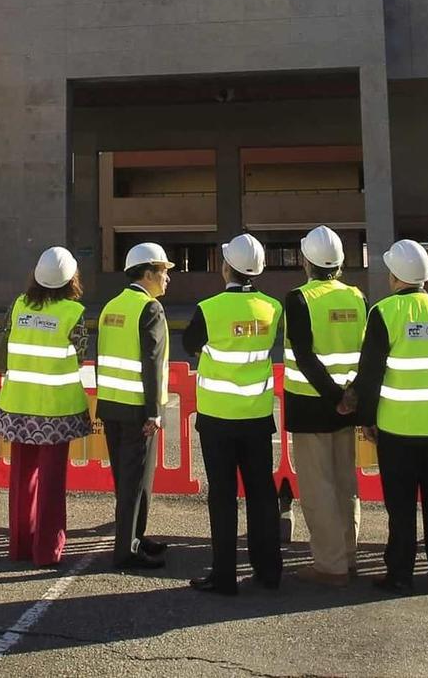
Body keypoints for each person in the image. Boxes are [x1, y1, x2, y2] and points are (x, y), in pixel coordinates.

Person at [347, 238, 428, 594]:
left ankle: (400, 573)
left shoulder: (384, 313)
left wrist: (365, 419)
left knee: (400, 506)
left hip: (397, 427)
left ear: (396, 276)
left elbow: (370, 373)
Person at [183, 232, 283, 595]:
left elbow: (190, 344)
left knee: (223, 497)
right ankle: (269, 570)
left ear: (227, 267)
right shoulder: (273, 307)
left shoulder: (210, 308)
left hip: (217, 418)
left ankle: (223, 575)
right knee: (262, 494)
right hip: (257, 416)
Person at [0, 247, 92, 567]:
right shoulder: (73, 313)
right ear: (71, 279)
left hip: (18, 405)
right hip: (56, 411)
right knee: (51, 481)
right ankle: (47, 550)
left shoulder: (19, 306)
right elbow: (81, 355)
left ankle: (19, 545)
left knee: (22, 478)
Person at [282, 224, 365, 584]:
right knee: (346, 484)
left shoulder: (299, 298)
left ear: (306, 261)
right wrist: (350, 398)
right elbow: (368, 352)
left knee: (319, 488)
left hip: (312, 405)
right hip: (348, 404)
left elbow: (304, 355)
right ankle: (348, 555)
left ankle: (330, 566)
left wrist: (333, 397)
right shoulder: (357, 297)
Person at [96, 242, 174, 571]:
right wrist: (154, 412)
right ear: (147, 273)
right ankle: (126, 550)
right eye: (163, 272)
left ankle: (136, 538)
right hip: (139, 410)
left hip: (112, 406)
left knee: (127, 481)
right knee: (137, 483)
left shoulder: (111, 306)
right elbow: (151, 362)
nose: (168, 279)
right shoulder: (149, 309)